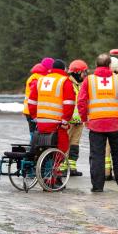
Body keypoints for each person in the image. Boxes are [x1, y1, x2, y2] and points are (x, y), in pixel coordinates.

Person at [77, 53, 118, 192]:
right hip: (115, 124)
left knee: (97, 156)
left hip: (96, 124)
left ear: (96, 65)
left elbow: (81, 101)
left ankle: (97, 187)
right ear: (110, 65)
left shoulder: (89, 80)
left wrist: (84, 119)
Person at [28, 59, 76, 187]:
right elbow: (69, 103)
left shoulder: (41, 80)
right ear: (63, 69)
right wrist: (65, 120)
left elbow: (31, 101)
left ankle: (44, 172)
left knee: (44, 147)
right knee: (61, 148)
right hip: (56, 122)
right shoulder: (64, 81)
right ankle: (53, 178)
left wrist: (35, 117)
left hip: (42, 122)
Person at [66, 60, 89, 176]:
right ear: (76, 72)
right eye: (83, 73)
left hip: (78, 121)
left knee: (74, 145)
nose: (84, 75)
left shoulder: (78, 85)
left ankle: (72, 167)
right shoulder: (68, 84)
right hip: (69, 121)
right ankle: (62, 167)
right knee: (65, 145)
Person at [23, 57, 53, 139]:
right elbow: (36, 95)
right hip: (32, 111)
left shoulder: (38, 76)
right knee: (35, 133)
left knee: (35, 133)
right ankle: (33, 148)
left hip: (32, 110)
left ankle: (34, 147)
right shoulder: (36, 78)